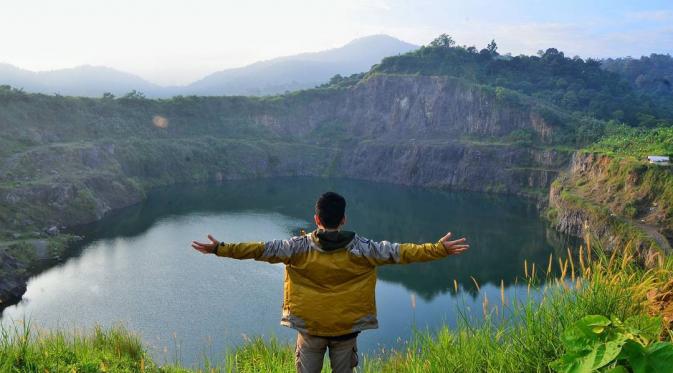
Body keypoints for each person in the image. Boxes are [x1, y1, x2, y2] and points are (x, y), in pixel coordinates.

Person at [191, 191, 469, 373]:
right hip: (346, 332)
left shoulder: (296, 248)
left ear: (316, 219)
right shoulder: (365, 249)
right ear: (344, 218)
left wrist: (220, 248)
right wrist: (438, 248)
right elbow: (401, 252)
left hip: (310, 331)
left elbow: (258, 249)